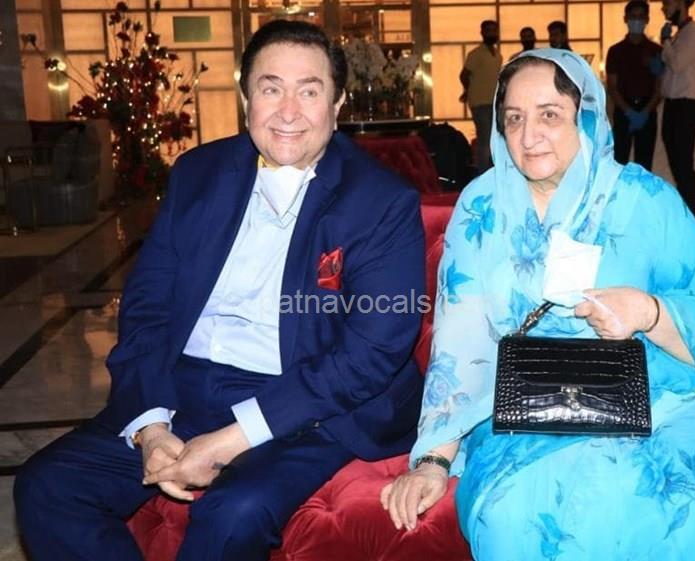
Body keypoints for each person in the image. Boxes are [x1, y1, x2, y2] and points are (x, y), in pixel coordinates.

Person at [14, 20, 426, 561]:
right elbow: (147, 308)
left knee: (234, 512)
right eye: (271, 88)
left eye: (309, 91)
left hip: (306, 403)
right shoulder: (199, 173)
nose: (288, 112)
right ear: (245, 98)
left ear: (337, 103)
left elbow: (372, 350)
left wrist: (234, 438)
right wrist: (152, 427)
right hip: (184, 386)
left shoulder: (379, 200)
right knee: (48, 487)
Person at [382, 49, 695, 561]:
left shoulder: (646, 200)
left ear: (584, 116)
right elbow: (461, 341)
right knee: (514, 515)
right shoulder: (483, 206)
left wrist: (649, 312)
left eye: (549, 114)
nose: (528, 136)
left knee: (685, 504)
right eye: (513, 118)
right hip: (526, 410)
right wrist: (434, 460)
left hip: (661, 399)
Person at [659, 0, 695, 219]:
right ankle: (686, 216)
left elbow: (677, 63)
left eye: (667, 3)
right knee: (678, 166)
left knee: (684, 165)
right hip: (674, 104)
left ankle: (693, 217)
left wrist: (665, 41)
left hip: (686, 105)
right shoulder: (681, 33)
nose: (664, 8)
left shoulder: (694, 32)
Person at [606, 0, 663, 171]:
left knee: (644, 165)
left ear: (647, 20)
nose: (637, 20)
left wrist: (645, 112)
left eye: (641, 17)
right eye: (633, 16)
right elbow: (612, 86)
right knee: (619, 162)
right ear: (625, 19)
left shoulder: (656, 50)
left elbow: (660, 87)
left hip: (648, 110)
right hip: (623, 111)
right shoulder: (615, 51)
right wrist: (628, 112)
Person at [460, 20, 502, 173]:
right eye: (488, 30)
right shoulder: (475, 54)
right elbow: (464, 75)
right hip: (479, 102)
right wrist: (467, 91)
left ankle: (493, 171)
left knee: (495, 138)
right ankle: (483, 174)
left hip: (494, 102)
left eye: (494, 30)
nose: (491, 33)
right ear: (482, 33)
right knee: (484, 138)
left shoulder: (498, 55)